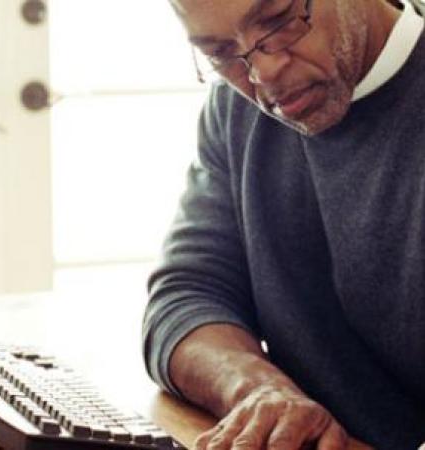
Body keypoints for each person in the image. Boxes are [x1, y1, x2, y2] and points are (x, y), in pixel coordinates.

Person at [142, 0, 425, 448]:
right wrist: (260, 393)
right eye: (220, 53)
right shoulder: (235, 111)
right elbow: (189, 295)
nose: (262, 73)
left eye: (278, 22)